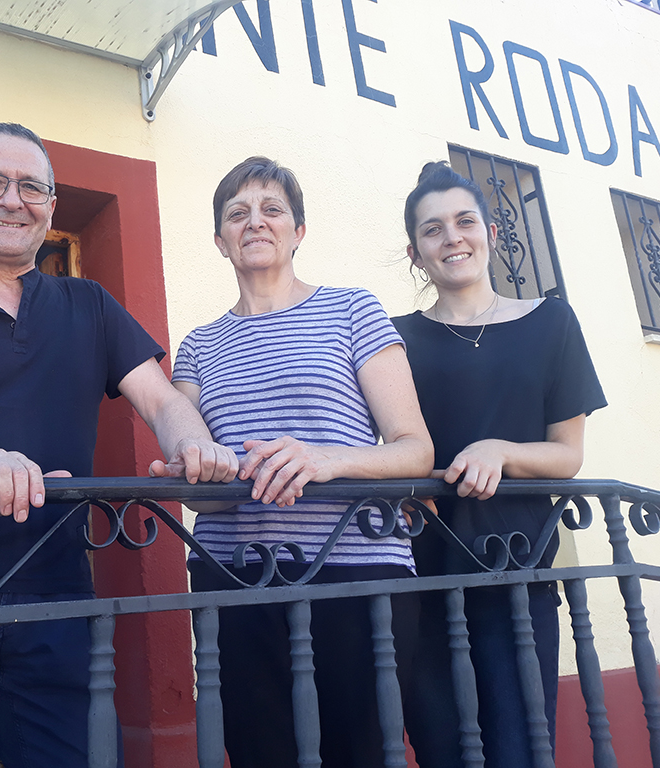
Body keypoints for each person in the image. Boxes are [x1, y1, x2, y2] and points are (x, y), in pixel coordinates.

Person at [0, 122, 238, 768]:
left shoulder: (88, 303)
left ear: (51, 207)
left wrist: (197, 445)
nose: (12, 199)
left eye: (32, 187)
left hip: (53, 593)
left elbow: (164, 401)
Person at [171, 156, 433, 768]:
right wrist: (191, 472)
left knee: (362, 754)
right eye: (237, 213)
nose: (255, 223)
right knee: (262, 754)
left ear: (299, 230)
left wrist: (325, 460)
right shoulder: (197, 346)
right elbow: (199, 487)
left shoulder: (353, 310)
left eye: (271, 210)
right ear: (219, 240)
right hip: (236, 582)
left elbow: (415, 448)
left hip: (359, 572)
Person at [391, 162, 607, 768]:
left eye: (464, 221)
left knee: (519, 752)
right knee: (443, 753)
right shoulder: (394, 337)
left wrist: (501, 450)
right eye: (432, 229)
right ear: (416, 252)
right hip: (424, 575)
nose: (451, 237)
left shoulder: (551, 321)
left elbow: (568, 455)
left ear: (489, 229)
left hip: (520, 572)